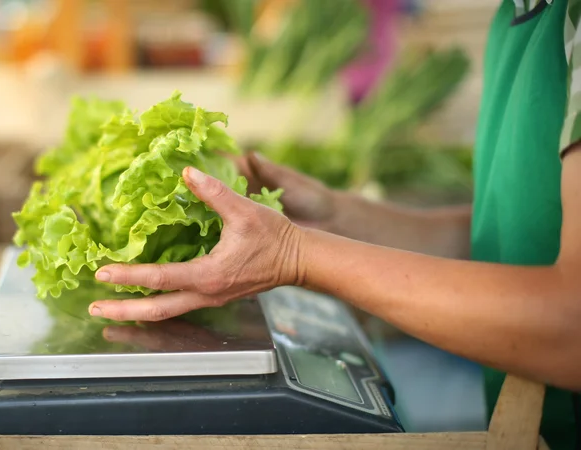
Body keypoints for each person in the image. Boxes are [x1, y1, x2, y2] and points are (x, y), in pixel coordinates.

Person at [89, 1, 580, 448]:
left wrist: (299, 255)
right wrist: (339, 215)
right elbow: (516, 237)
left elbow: (572, 325)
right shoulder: (523, 15)